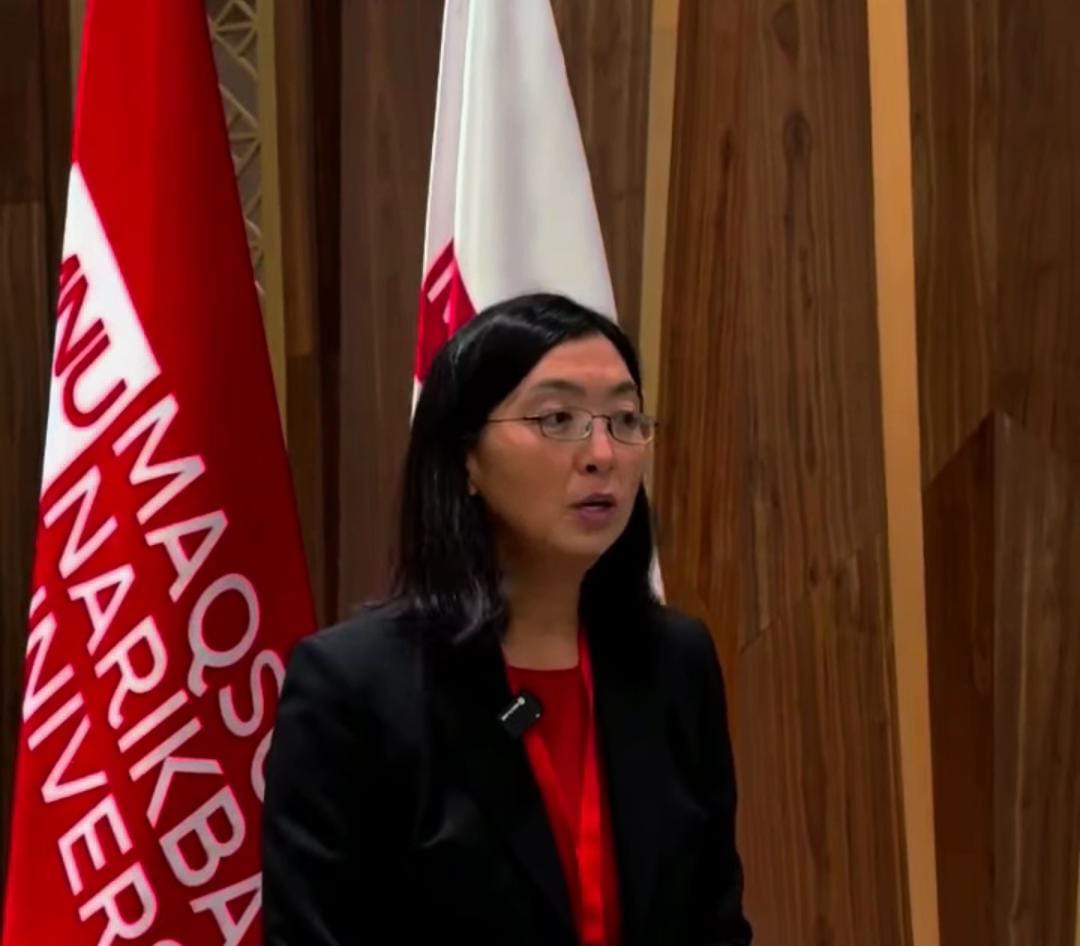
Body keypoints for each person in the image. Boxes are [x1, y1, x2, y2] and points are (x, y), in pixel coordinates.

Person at [261, 294, 752, 945]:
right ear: (466, 457)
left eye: (625, 419)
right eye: (558, 418)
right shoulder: (354, 687)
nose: (603, 453)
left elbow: (715, 923)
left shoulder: (675, 662)